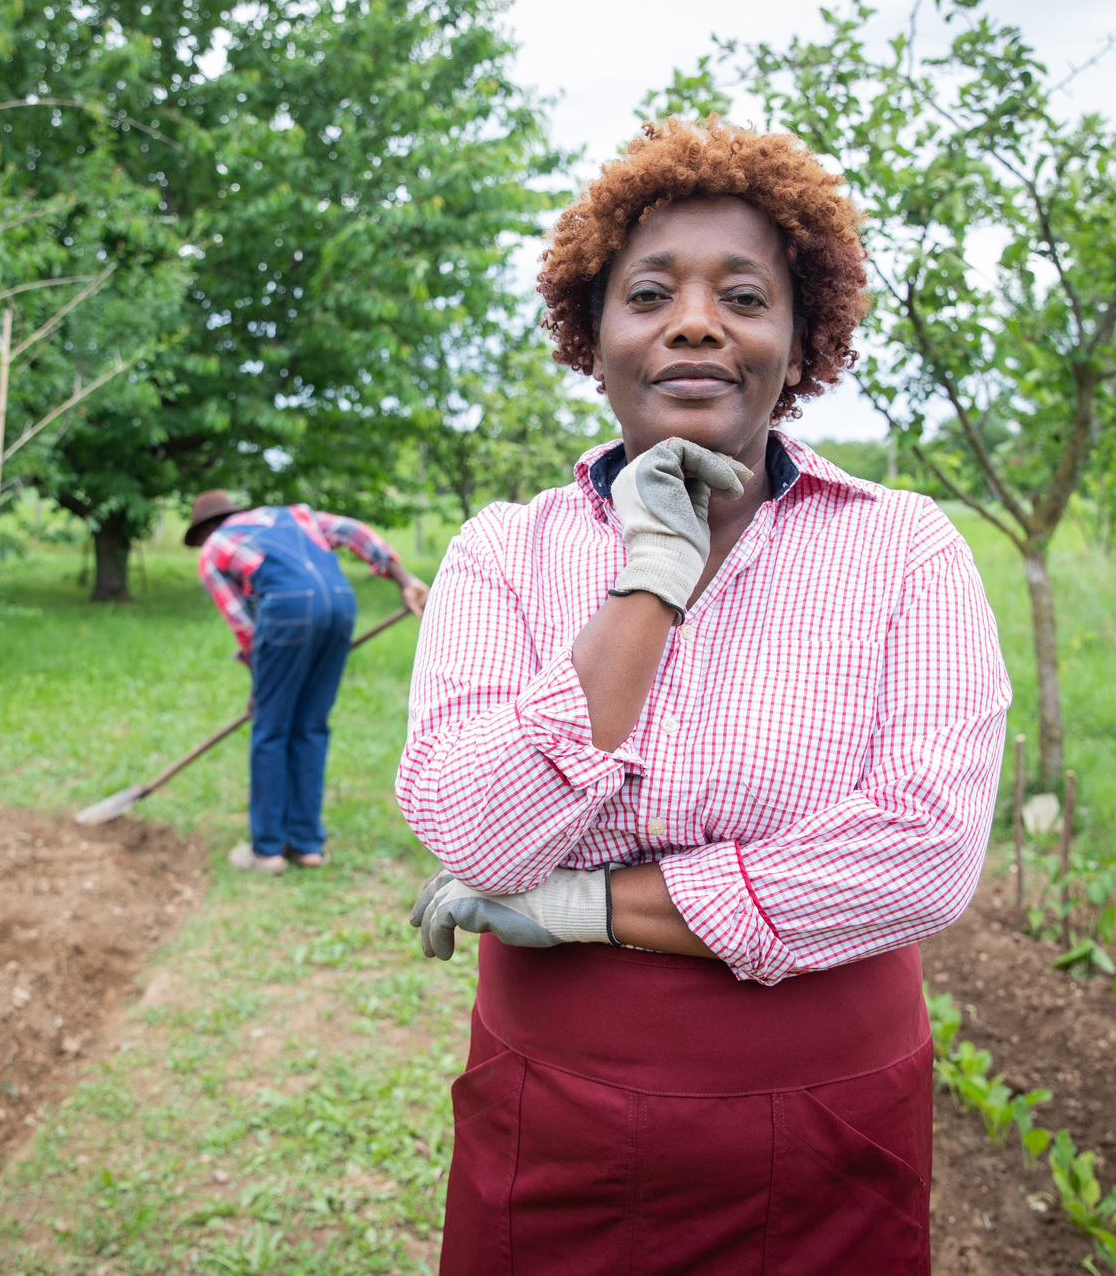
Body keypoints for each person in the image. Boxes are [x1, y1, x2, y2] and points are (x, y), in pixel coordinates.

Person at [396, 118, 1011, 1274]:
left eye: (742, 295)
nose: (694, 321)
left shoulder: (902, 549)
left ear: (798, 338)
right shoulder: (502, 551)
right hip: (553, 1108)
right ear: (593, 336)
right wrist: (648, 579)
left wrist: (581, 902)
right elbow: (473, 828)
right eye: (648, 295)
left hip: (825, 1112)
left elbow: (924, 852)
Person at [187, 491, 428, 874]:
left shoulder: (214, 548)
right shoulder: (293, 515)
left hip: (288, 610)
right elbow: (352, 530)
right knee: (311, 726)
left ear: (204, 529)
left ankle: (266, 851)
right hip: (340, 603)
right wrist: (402, 578)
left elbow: (244, 624)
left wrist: (261, 683)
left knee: (270, 729)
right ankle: (307, 846)